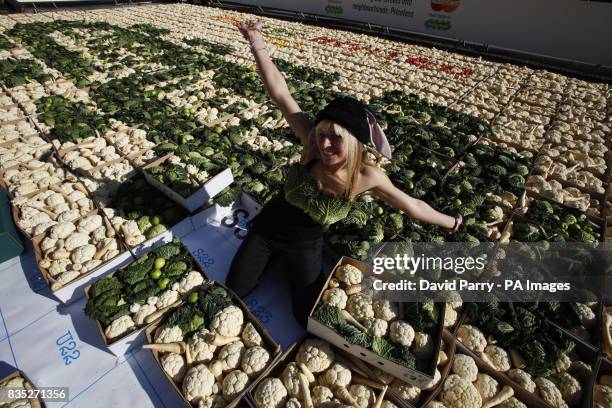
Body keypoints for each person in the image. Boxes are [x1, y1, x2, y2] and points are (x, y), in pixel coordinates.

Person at [226, 19, 462, 327]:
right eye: (322, 133)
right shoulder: (311, 143)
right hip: (268, 228)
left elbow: (413, 205)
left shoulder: (368, 177)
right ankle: (267, 259)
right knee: (234, 290)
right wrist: (256, 40)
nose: (324, 143)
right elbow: (281, 94)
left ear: (353, 142)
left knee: (305, 317)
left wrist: (452, 223)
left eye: (335, 137)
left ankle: (284, 264)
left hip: (306, 244)